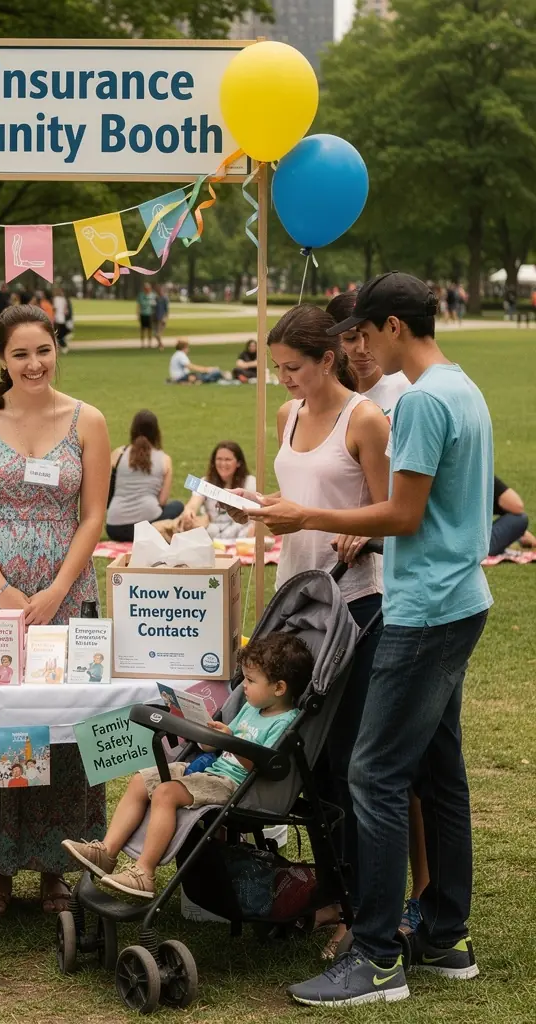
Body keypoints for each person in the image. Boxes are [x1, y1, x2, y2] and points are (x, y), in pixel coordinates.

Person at [249, 273, 492, 1006]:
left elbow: (402, 515)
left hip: (420, 609)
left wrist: (309, 521)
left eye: (363, 334)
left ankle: (378, 957)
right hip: (462, 600)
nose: (357, 348)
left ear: (393, 326)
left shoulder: (417, 400)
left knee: (374, 777)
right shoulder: (464, 387)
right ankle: (445, 938)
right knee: (437, 776)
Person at [0, 303, 110, 916]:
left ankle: (56, 863)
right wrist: (4, 593)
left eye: (43, 350)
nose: (34, 363)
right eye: (20, 353)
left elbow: (93, 514)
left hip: (66, 594)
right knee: (1, 720)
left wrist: (59, 590)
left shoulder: (88, 419)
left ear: (56, 349)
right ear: (1, 358)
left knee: (61, 722)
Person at [62, 632, 313, 898]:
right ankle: (107, 852)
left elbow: (263, 765)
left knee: (165, 793)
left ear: (279, 688)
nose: (244, 687)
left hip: (234, 784)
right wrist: (210, 735)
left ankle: (144, 873)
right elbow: (219, 745)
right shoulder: (252, 708)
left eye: (251, 681)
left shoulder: (284, 722)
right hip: (209, 767)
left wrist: (230, 742)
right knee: (140, 781)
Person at [328, 292, 410, 420]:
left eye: (369, 336)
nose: (362, 349)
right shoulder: (319, 395)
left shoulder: (407, 392)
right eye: (350, 338)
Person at [105, 410, 185, 542]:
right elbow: (162, 501)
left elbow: (106, 489)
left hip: (114, 528)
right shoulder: (165, 460)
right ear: (156, 433)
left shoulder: (118, 454)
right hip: (148, 526)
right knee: (178, 506)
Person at [176, 441, 256, 539]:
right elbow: (193, 503)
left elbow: (256, 513)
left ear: (238, 463)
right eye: (219, 459)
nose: (223, 463)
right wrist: (189, 512)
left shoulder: (249, 482)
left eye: (228, 459)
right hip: (212, 532)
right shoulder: (205, 482)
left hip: (241, 532)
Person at [490, 475, 533, 554]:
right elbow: (517, 506)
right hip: (471, 545)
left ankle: (519, 538)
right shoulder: (478, 474)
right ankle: (518, 539)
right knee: (519, 519)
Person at [137, 283, 156, 348]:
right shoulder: (141, 295)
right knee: (143, 330)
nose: (147, 289)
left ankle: (149, 344)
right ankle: (142, 344)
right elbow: (138, 305)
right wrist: (138, 315)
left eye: (148, 288)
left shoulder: (153, 295)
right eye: (145, 288)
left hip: (150, 314)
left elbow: (155, 306)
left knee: (150, 330)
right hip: (143, 314)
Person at [52, 287, 70, 352]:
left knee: (58, 334)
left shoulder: (56, 299)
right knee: (60, 333)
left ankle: (63, 345)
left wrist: (53, 317)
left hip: (57, 318)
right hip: (62, 318)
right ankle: (62, 345)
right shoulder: (63, 299)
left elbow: (55, 309)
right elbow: (66, 310)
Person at [153, 285, 169, 349]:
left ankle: (161, 345)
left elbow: (166, 309)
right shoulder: (156, 298)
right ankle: (160, 344)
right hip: (156, 318)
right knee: (155, 333)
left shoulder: (165, 298)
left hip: (161, 318)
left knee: (157, 333)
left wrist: (165, 318)